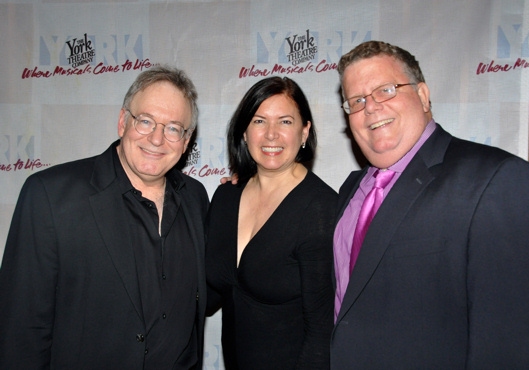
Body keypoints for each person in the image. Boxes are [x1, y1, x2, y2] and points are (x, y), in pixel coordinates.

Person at [332, 40, 529, 369]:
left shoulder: (497, 180)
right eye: (357, 100)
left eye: (386, 90)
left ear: (423, 95)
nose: (370, 107)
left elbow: (521, 346)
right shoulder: (351, 190)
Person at [0, 66, 209, 370]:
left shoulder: (196, 198)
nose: (157, 138)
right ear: (123, 121)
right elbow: (20, 329)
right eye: (146, 121)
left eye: (174, 128)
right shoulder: (50, 195)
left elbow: (209, 290)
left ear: (187, 140)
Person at [206, 76, 337, 370]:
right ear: (244, 131)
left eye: (286, 122)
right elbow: (210, 292)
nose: (271, 135)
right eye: (259, 121)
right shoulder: (226, 197)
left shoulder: (320, 210)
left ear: (305, 132)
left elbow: (322, 333)